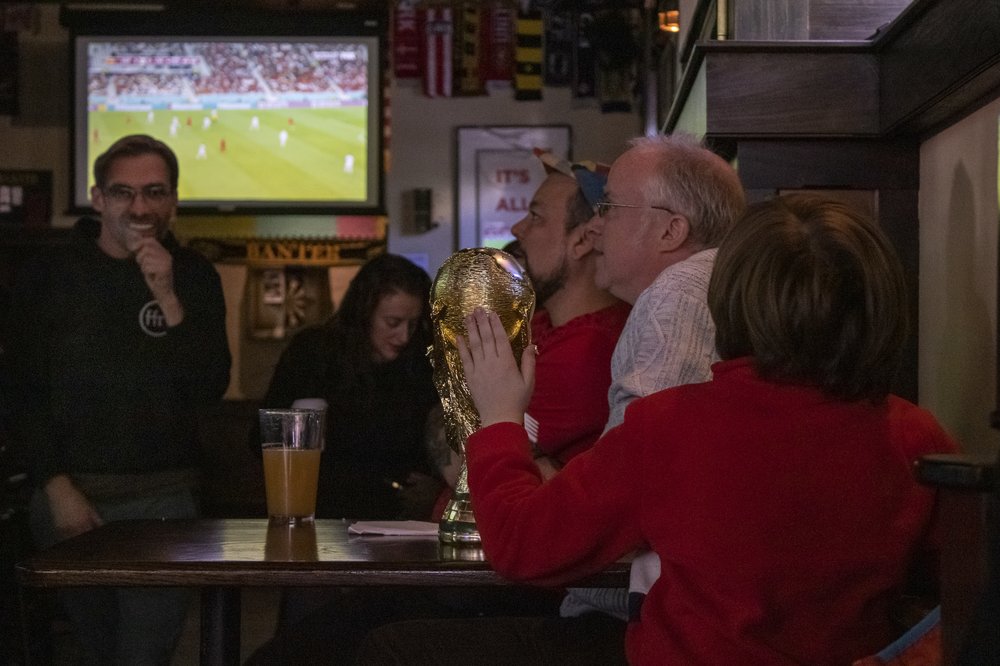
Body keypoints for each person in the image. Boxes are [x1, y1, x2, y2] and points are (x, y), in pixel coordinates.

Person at [361, 193, 959, 665]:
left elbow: (523, 547)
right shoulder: (917, 440)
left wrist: (497, 419)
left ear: (733, 301)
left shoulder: (672, 425)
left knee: (390, 647)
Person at [247, 153, 631, 665]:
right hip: (450, 559)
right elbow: (457, 435)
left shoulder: (589, 349)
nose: (517, 227)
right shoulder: (538, 329)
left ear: (583, 239)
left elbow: (466, 462)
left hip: (495, 581)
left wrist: (473, 436)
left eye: (536, 215)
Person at [4, 133, 231, 665]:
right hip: (72, 496)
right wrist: (56, 487)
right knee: (94, 650)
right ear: (98, 198)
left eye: (154, 192)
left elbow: (209, 387)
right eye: (124, 192)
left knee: (144, 654)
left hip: (167, 501)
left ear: (173, 199)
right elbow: (20, 391)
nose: (140, 206)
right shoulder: (49, 276)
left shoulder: (194, 276)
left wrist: (167, 296)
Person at [255, 252, 442, 523]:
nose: (404, 336)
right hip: (324, 516)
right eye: (393, 322)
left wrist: (436, 490)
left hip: (401, 521)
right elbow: (262, 437)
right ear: (364, 313)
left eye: (413, 324)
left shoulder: (423, 363)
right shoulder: (314, 354)